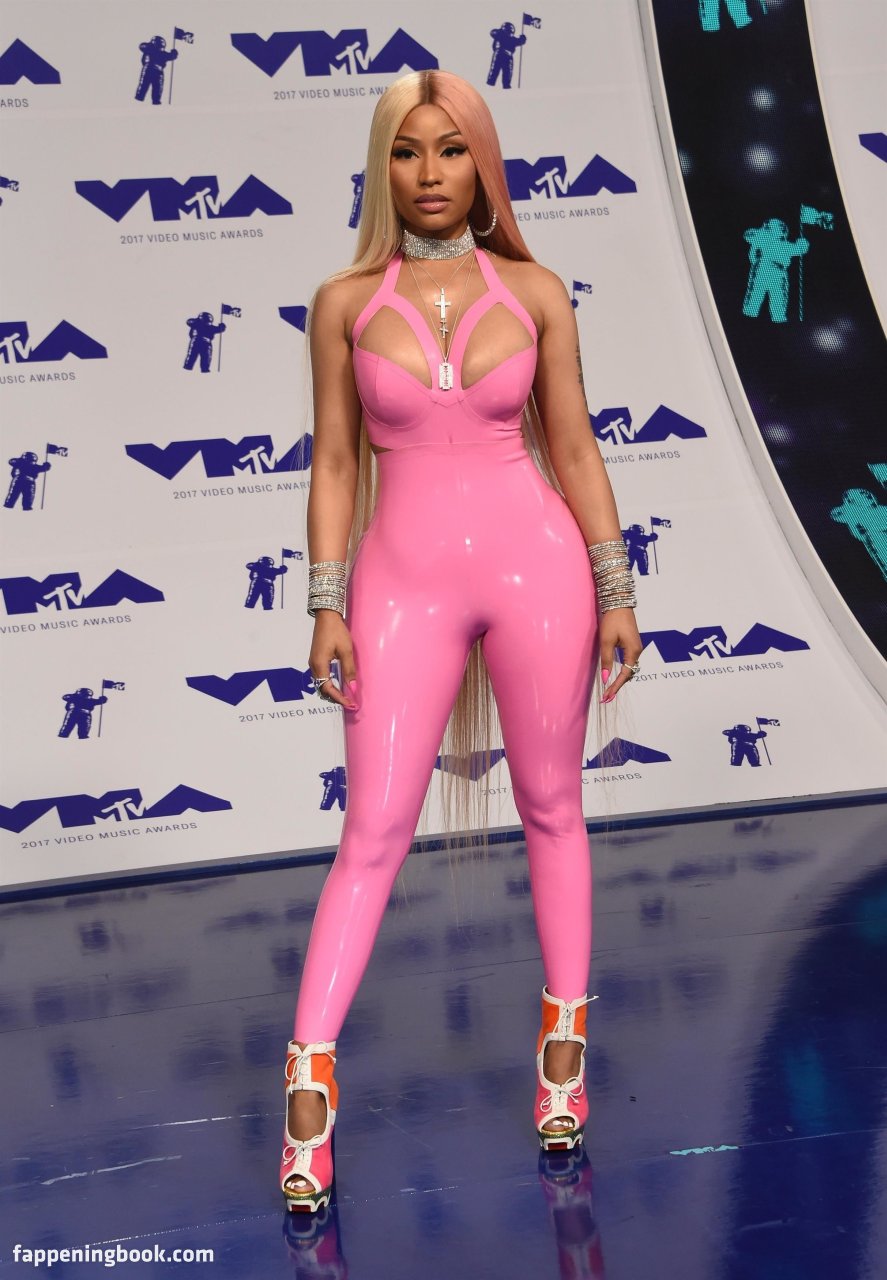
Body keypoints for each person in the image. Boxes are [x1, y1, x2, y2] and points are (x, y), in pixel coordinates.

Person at [280, 69, 644, 1214]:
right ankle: (307, 1086)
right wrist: (326, 601)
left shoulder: (534, 290)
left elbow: (573, 446)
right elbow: (333, 458)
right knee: (372, 831)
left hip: (540, 572)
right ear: (381, 166)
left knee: (552, 806)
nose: (428, 173)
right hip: (398, 585)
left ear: (481, 163)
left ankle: (562, 1052)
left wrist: (614, 587)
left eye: (448, 149)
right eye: (406, 151)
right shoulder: (343, 301)